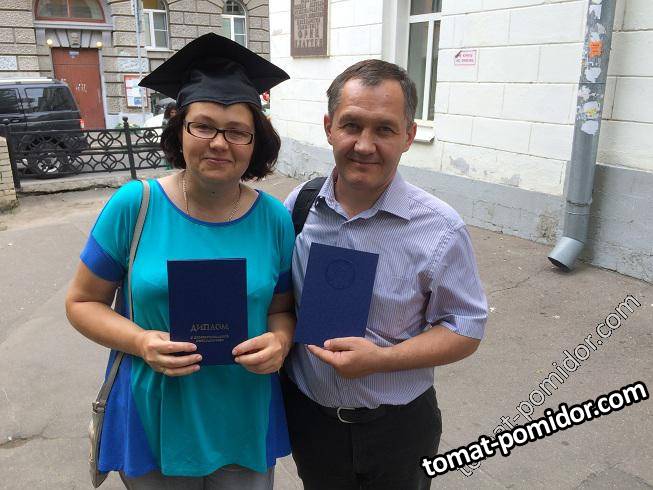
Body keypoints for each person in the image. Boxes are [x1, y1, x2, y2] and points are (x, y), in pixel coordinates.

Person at [65, 33, 295, 489]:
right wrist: (141, 341)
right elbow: (81, 302)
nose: (219, 143)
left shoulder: (273, 218)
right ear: (179, 128)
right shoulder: (135, 206)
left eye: (237, 131)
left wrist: (281, 342)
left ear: (255, 142)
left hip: (243, 414)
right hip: (154, 413)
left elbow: (281, 309)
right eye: (203, 126)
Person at [282, 59, 488, 490]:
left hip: (398, 429)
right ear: (329, 127)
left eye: (384, 129)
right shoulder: (299, 206)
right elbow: (280, 301)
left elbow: (466, 328)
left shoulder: (440, 229)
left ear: (408, 136)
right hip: (310, 421)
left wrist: (382, 359)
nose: (364, 145)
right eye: (351, 125)